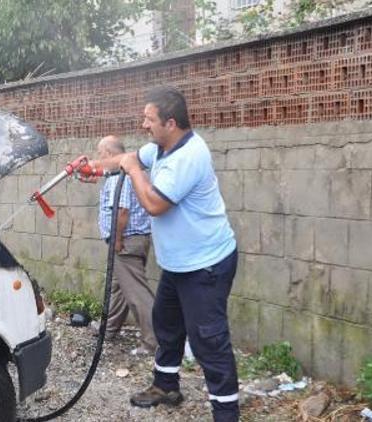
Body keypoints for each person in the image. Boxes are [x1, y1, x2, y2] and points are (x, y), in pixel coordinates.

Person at [89, 87, 240, 422]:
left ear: (170, 123)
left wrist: (131, 168)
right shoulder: (160, 147)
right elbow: (125, 159)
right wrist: (93, 168)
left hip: (206, 264)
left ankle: (227, 413)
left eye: (149, 119)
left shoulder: (189, 156)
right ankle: (165, 385)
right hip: (178, 262)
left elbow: (155, 203)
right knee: (167, 324)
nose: (144, 124)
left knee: (208, 340)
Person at [93, 135, 155, 356]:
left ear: (109, 154)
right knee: (118, 287)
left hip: (126, 241)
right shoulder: (131, 173)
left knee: (137, 293)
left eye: (100, 154)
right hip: (135, 238)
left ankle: (154, 342)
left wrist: (117, 240)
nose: (99, 158)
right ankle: (108, 329)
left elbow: (122, 211)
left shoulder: (121, 176)